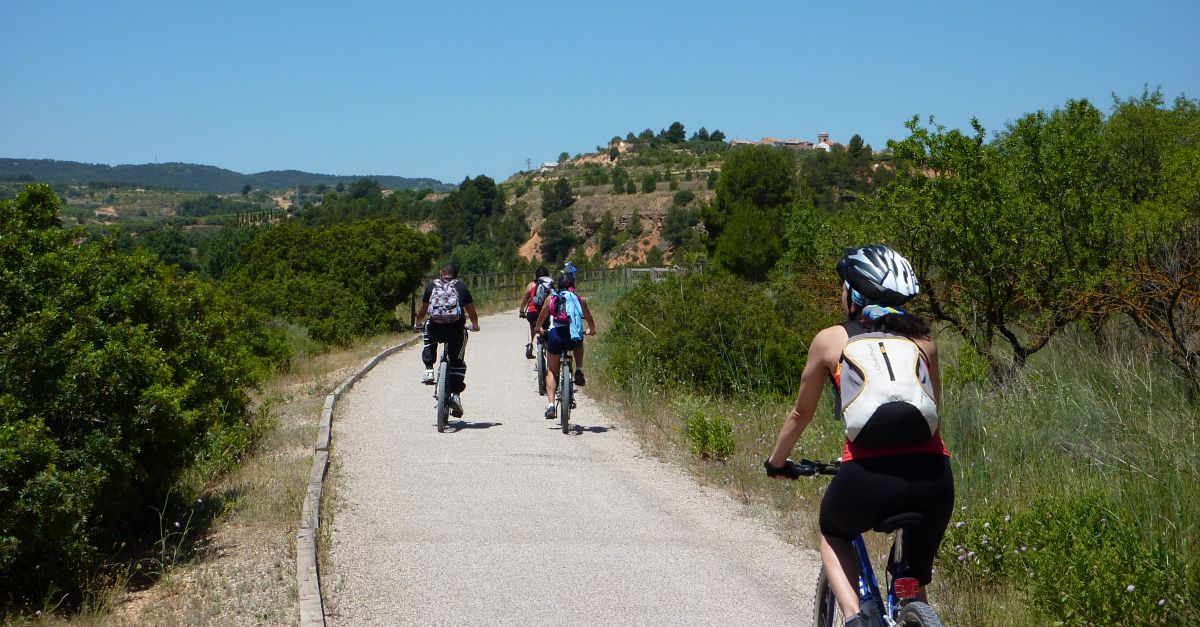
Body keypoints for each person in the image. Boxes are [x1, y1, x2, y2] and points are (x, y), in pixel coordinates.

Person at [764, 245, 953, 627]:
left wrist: (777, 462)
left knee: (834, 531)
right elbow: (933, 411)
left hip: (867, 476)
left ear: (853, 293)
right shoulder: (924, 342)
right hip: (934, 479)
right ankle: (914, 610)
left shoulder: (830, 340)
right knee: (912, 583)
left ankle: (854, 617)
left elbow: (801, 413)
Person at [414, 263, 480, 418]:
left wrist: (418, 323)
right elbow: (472, 312)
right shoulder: (461, 287)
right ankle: (456, 394)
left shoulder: (432, 286)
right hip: (456, 329)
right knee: (457, 360)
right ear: (456, 275)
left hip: (435, 328)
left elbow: (422, 311)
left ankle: (429, 369)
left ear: (440, 273)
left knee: (427, 331)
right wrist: (475, 325)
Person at [534, 273, 595, 419]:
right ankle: (578, 370)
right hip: (572, 337)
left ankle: (551, 406)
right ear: (573, 284)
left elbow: (541, 317)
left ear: (558, 285)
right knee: (579, 339)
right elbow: (589, 318)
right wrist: (591, 330)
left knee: (552, 371)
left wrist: (537, 328)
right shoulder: (579, 299)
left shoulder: (551, 298)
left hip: (555, 335)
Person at [518, 267, 554, 359]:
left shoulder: (531, 285)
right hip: (545, 314)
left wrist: (521, 311)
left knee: (531, 324)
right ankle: (548, 347)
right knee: (547, 327)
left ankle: (529, 344)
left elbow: (525, 300)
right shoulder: (550, 285)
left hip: (532, 312)